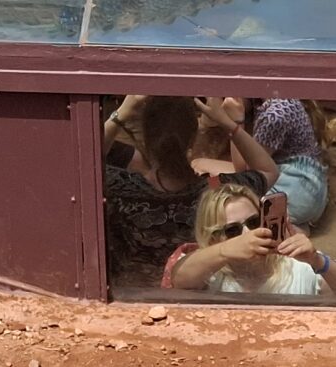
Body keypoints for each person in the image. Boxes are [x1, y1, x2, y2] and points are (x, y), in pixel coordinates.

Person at [102, 95, 279, 288]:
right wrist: (229, 123)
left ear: (144, 137)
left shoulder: (120, 188)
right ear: (193, 137)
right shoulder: (214, 191)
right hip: (196, 295)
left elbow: (83, 165)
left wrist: (120, 115)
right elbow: (268, 170)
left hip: (128, 296)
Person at [166, 179, 336, 298]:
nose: (248, 234)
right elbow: (180, 279)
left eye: (254, 222)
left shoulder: (298, 267)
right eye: (233, 230)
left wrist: (318, 261)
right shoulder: (211, 276)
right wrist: (226, 251)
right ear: (212, 240)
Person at [244, 98, 330, 226]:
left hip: (295, 191)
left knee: (227, 190)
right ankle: (296, 227)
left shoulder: (274, 115)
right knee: (210, 168)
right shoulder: (284, 101)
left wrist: (234, 122)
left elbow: (246, 170)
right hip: (311, 190)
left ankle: (283, 226)